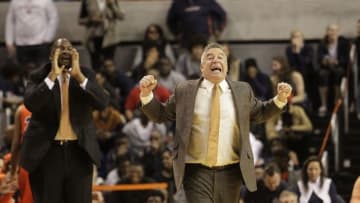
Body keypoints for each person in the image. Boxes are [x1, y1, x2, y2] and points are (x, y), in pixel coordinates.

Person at [139, 43, 292, 203]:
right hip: (196, 170)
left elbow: (260, 112)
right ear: (202, 66)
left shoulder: (242, 90)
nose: (215, 60)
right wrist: (147, 95)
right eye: (210, 57)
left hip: (231, 171)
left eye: (220, 57)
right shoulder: (185, 90)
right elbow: (161, 114)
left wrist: (280, 99)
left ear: (226, 67)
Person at [20, 38, 109, 203]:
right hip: (48, 154)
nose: (65, 52)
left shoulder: (86, 75)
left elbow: (102, 102)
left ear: (75, 54)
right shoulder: (39, 76)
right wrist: (52, 76)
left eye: (69, 48)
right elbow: (31, 103)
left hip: (79, 153)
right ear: (51, 55)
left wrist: (79, 77)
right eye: (60, 49)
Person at [5, 0, 58, 68]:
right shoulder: (15, 2)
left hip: (41, 44)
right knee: (23, 72)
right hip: (21, 44)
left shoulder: (46, 1)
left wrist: (48, 38)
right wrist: (9, 42)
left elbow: (53, 17)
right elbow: (10, 20)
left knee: (42, 72)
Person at [79, 0, 125, 70]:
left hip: (110, 37)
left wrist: (112, 5)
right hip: (93, 37)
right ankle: (97, 79)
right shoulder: (87, 1)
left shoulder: (112, 1)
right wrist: (91, 19)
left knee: (109, 65)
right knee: (96, 65)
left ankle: (110, 79)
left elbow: (121, 16)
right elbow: (80, 20)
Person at [9, 104, 33, 203]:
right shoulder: (56, 106)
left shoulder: (21, 110)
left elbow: (15, 145)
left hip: (27, 166)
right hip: (51, 165)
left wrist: (13, 172)